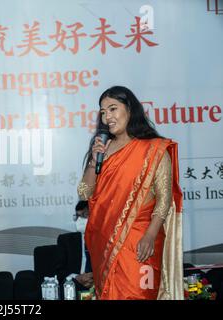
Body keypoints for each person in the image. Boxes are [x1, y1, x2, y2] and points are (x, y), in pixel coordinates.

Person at [78, 86, 183, 300]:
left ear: (130, 109)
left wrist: (150, 235)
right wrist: (93, 160)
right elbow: (84, 193)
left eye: (113, 109)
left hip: (141, 239)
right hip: (104, 242)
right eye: (103, 112)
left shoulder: (154, 149)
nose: (107, 117)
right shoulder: (102, 150)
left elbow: (164, 199)